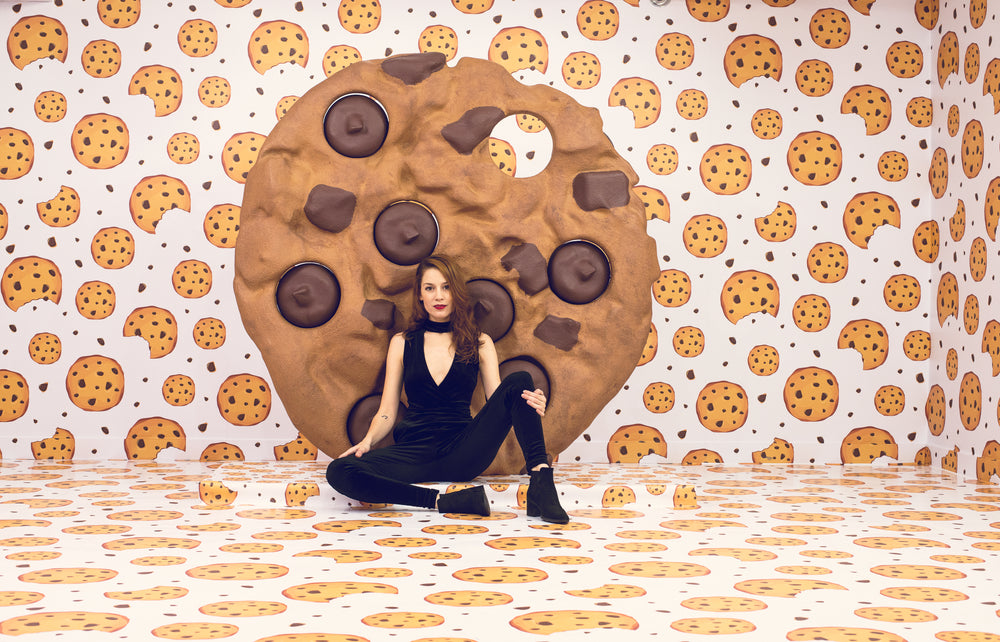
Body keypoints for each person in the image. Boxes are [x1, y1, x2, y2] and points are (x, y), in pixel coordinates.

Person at [325, 254, 569, 523]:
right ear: (420, 295)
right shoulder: (402, 342)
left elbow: (497, 399)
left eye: (446, 287)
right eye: (430, 288)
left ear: (456, 292)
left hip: (463, 450)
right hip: (413, 452)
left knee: (521, 380)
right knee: (339, 470)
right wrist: (367, 442)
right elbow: (387, 411)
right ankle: (441, 501)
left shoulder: (480, 342)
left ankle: (542, 484)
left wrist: (528, 402)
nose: (438, 296)